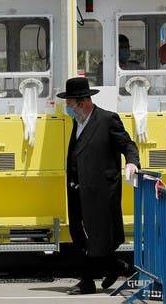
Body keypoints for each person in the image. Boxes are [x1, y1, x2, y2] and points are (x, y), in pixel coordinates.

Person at [57, 77, 140, 294]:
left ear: (83, 102)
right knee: (79, 233)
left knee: (96, 236)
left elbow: (128, 145)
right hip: (78, 189)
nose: (68, 109)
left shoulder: (107, 119)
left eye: (70, 104)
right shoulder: (79, 121)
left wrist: (132, 162)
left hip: (101, 191)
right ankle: (116, 266)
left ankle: (87, 282)